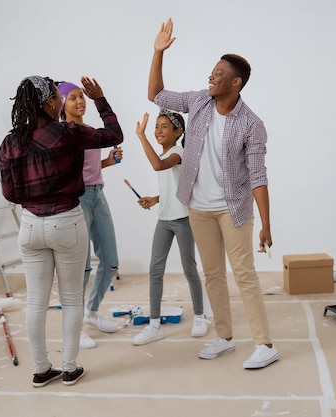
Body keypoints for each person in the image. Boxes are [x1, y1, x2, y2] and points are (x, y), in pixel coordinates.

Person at [147, 18, 279, 369]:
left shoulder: (252, 124)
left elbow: (258, 175)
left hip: (233, 208)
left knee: (245, 274)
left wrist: (265, 224)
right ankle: (224, 337)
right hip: (197, 206)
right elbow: (156, 95)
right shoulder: (200, 102)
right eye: (212, 71)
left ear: (235, 83)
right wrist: (157, 52)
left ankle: (265, 344)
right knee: (213, 274)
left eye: (219, 73)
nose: (211, 76)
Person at [0, 75, 123, 387]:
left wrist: (34, 199)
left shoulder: (10, 142)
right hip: (67, 221)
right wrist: (100, 100)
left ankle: (41, 369)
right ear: (50, 103)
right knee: (71, 299)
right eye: (57, 95)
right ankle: (69, 367)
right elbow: (113, 134)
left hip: (30, 227)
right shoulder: (67, 133)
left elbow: (9, 193)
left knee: (36, 302)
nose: (59, 100)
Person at [132, 109, 209, 346]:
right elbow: (173, 186)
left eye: (165, 126)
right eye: (157, 126)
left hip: (184, 219)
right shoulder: (168, 156)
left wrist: (141, 136)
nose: (158, 130)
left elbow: (158, 166)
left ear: (179, 132)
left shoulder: (178, 153)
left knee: (189, 268)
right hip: (164, 219)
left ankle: (200, 316)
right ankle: (154, 325)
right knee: (155, 270)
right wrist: (155, 199)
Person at [57, 81, 123, 349]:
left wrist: (110, 161)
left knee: (111, 262)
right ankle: (75, 326)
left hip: (99, 196)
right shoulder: (63, 134)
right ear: (62, 105)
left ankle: (92, 312)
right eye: (73, 98)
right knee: (81, 267)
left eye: (81, 96)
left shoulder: (91, 133)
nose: (80, 101)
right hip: (78, 199)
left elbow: (92, 166)